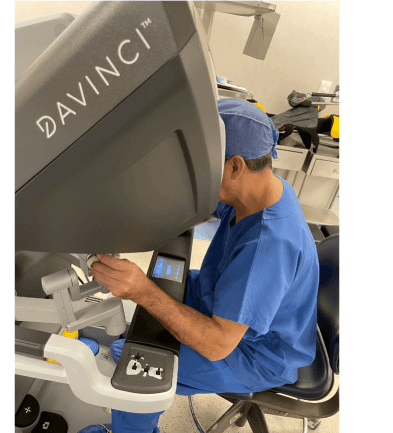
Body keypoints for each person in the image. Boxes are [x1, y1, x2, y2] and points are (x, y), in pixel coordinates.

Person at [81, 99, 320, 433]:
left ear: (235, 167)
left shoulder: (268, 248)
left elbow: (217, 344)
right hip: (221, 299)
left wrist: (142, 291)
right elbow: (205, 207)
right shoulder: (263, 189)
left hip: (253, 354)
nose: (197, 173)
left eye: (203, 164)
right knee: (153, 303)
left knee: (132, 360)